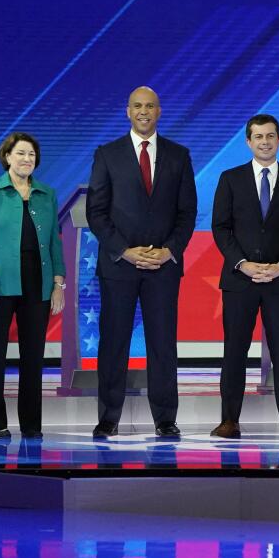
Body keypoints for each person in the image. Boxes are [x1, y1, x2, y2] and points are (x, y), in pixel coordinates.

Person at [86, 86, 197, 440]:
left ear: (160, 111)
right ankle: (108, 417)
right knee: (114, 342)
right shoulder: (107, 154)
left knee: (162, 344)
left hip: (163, 267)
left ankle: (165, 418)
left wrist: (169, 251)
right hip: (119, 265)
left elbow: (187, 213)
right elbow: (96, 212)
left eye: (150, 106)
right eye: (137, 106)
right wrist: (125, 250)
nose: (144, 111)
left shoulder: (179, 156)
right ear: (127, 111)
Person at [209, 113, 279, 440]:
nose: (265, 142)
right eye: (258, 137)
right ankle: (229, 420)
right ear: (249, 141)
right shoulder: (230, 178)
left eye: (270, 136)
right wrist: (242, 263)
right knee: (235, 351)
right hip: (240, 280)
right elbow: (221, 228)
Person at [0, 132, 66, 440]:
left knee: (33, 357)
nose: (27, 159)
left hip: (37, 283)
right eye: (21, 153)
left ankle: (31, 423)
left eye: (32, 155)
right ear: (7, 157)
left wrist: (58, 284)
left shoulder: (46, 193)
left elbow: (54, 241)